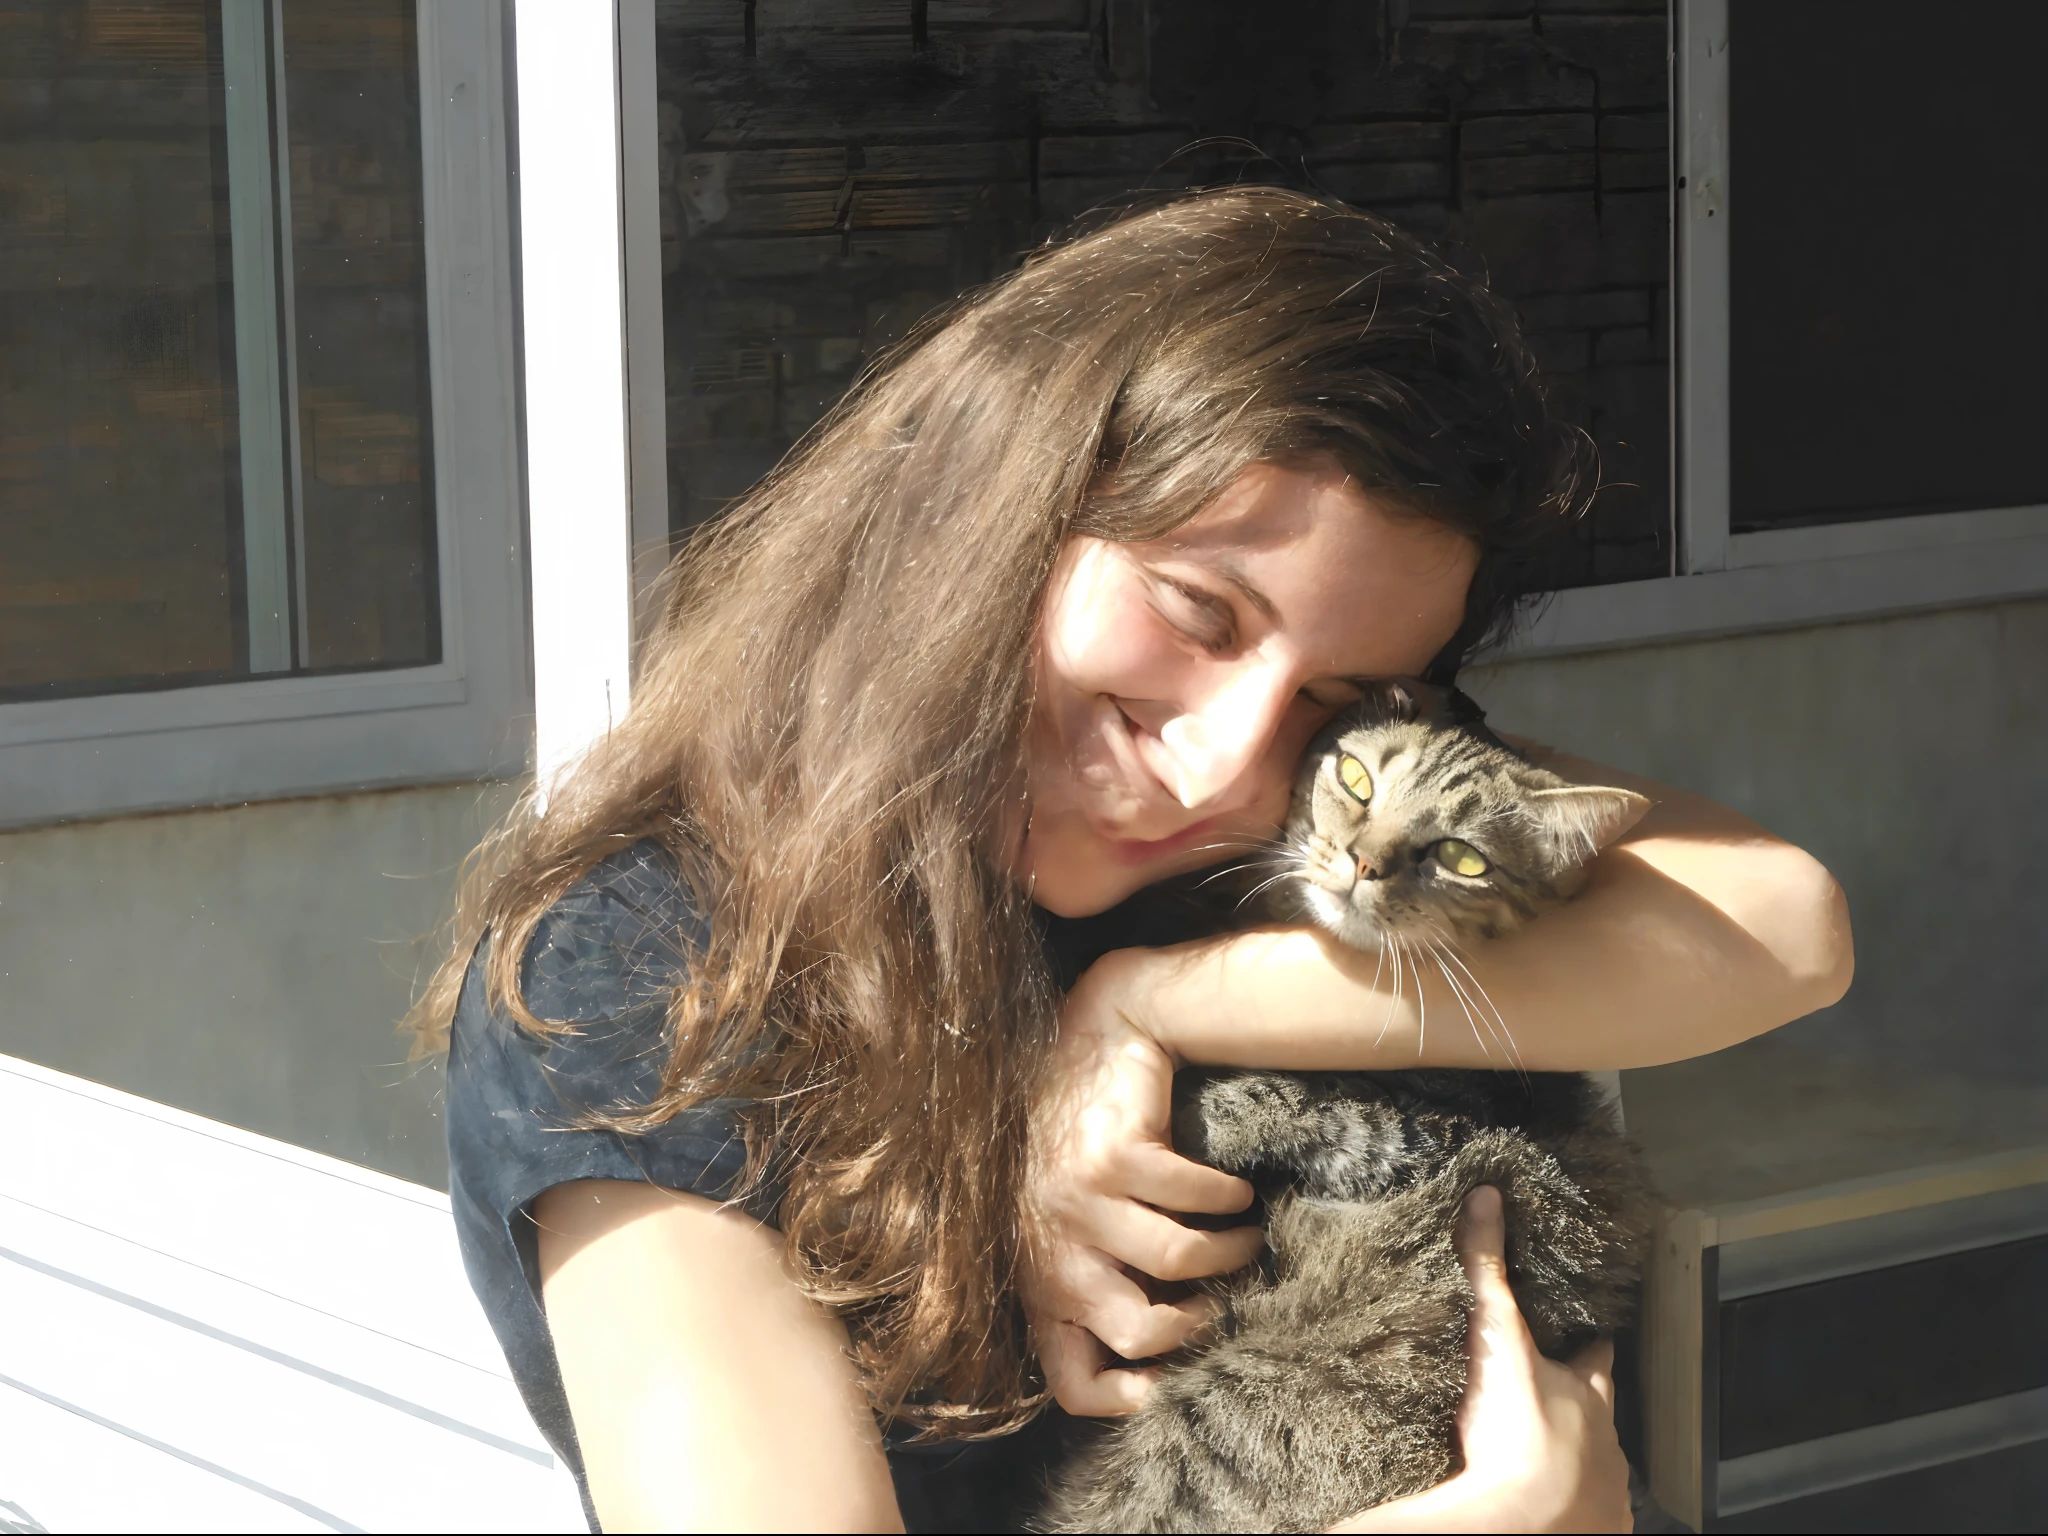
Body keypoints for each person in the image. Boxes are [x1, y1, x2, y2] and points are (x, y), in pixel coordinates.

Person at [414, 189, 1852, 1533]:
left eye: (1336, 700)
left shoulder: (1306, 817)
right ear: (987, 512)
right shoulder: (642, 979)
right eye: (1200, 612)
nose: (1228, 761)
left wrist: (1152, 1007)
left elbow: (1789, 929)